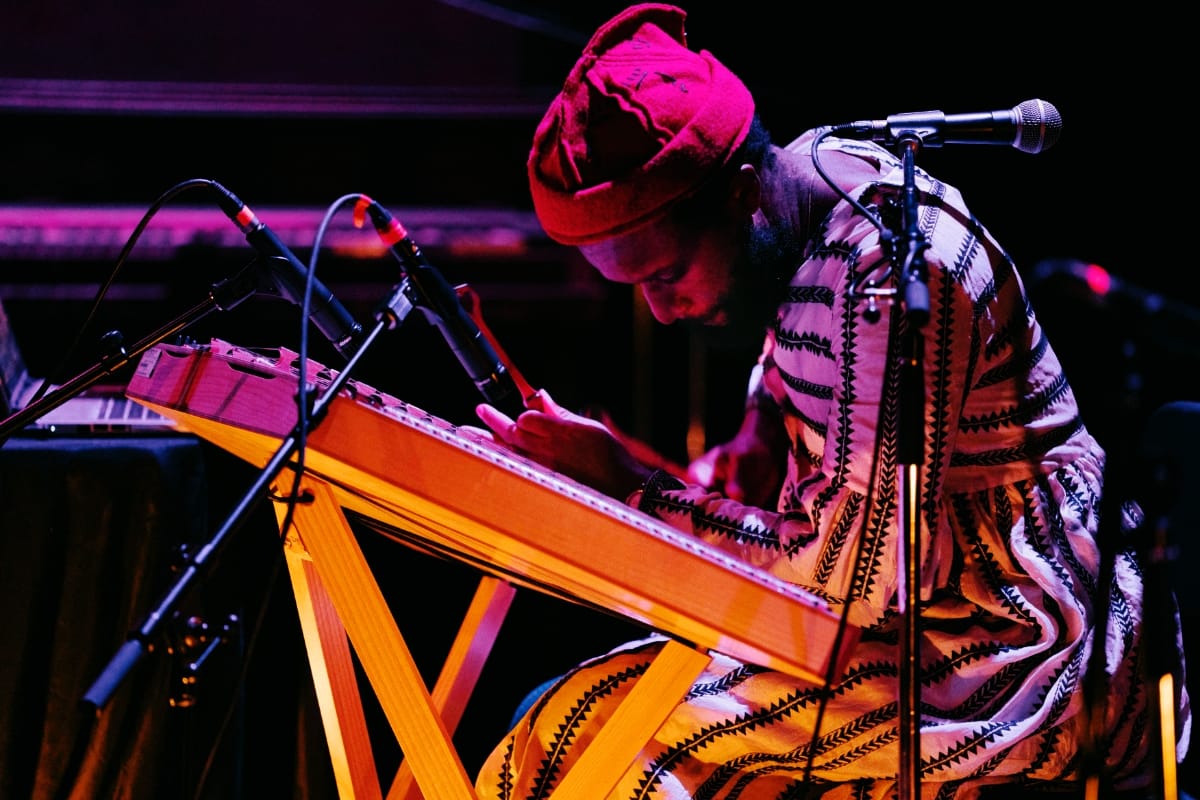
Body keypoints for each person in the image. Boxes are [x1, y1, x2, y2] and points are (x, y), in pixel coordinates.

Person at [469, 4, 1191, 798]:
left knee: (596, 728)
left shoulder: (894, 273)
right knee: (589, 727)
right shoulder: (802, 197)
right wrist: (742, 436)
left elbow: (848, 585)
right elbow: (803, 404)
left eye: (665, 274)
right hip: (914, 619)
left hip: (1023, 648)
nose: (661, 311)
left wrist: (630, 492)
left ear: (744, 194)